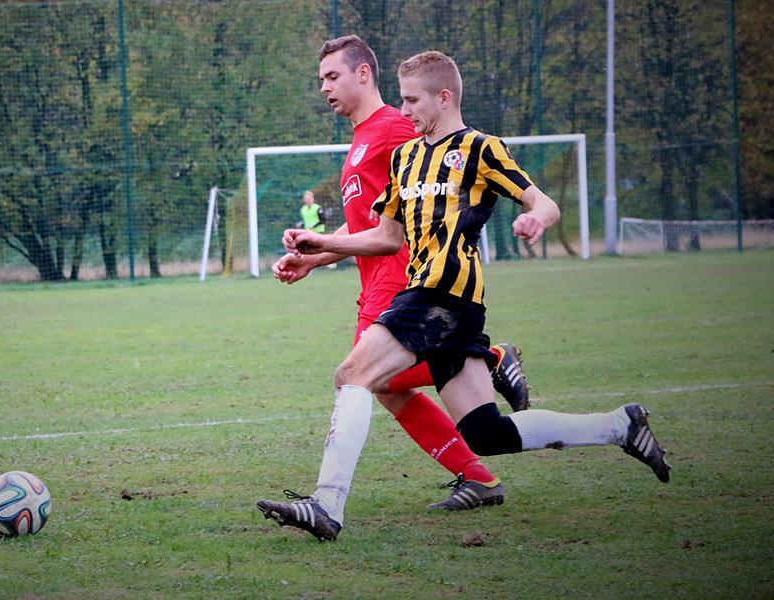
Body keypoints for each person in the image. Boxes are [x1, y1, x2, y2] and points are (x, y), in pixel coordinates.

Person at [259, 49, 671, 542]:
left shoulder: (480, 148)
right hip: (438, 305)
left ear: (444, 97)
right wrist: (322, 244)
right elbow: (386, 237)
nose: (404, 109)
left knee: (351, 375)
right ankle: (619, 426)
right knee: (485, 433)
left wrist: (537, 217)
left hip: (442, 297)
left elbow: (542, 198)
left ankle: (326, 504)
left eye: (412, 100)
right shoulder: (408, 156)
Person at [258, 36, 529, 540]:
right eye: (321, 79)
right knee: (381, 387)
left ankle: (486, 361)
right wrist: (317, 259)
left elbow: (430, 195)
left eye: (332, 76)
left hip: (402, 279)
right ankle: (478, 472)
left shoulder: (394, 129)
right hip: (377, 278)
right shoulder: (363, 138)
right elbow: (373, 224)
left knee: (364, 379)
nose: (324, 88)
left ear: (364, 74)